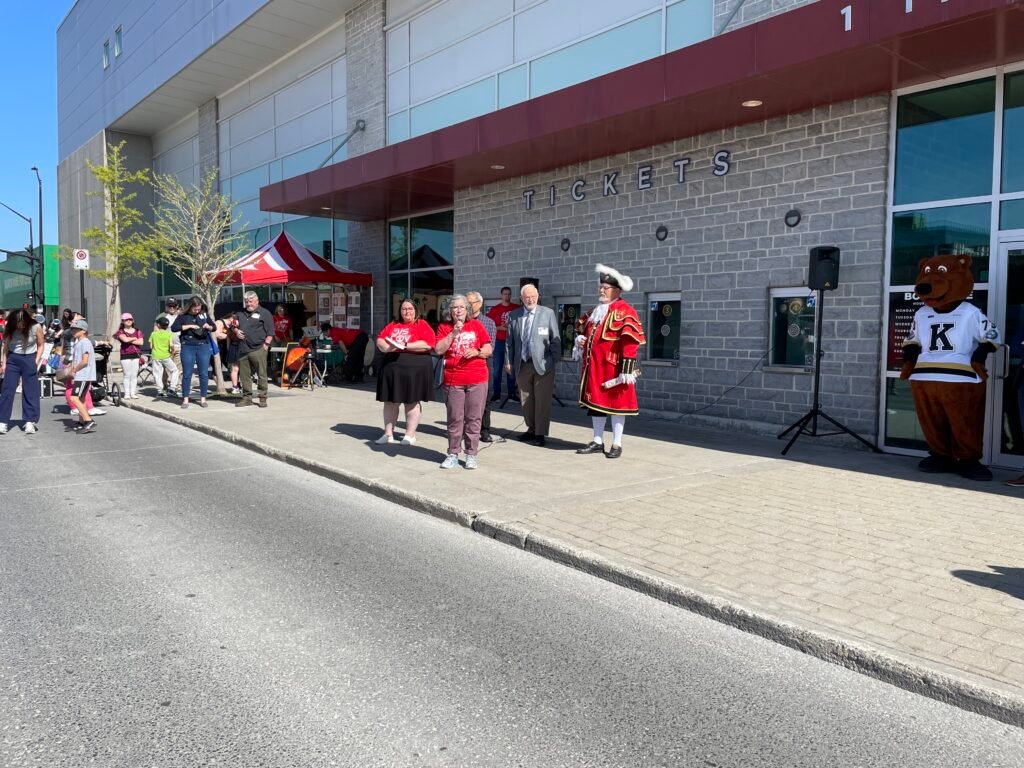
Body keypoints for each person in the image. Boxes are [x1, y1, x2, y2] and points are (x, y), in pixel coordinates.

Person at [574, 264, 647, 459]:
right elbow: (581, 330)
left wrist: (626, 369)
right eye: (601, 287)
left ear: (617, 290)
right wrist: (579, 340)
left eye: (606, 288)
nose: (601, 290)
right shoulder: (595, 311)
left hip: (614, 369)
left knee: (617, 405)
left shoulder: (626, 311)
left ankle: (617, 443)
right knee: (595, 404)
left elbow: (631, 342)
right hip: (595, 368)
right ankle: (598, 441)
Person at [435, 294, 492, 469]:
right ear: (449, 311)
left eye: (461, 307)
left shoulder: (476, 325)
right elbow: (438, 349)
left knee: (474, 418)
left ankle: (471, 454)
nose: (458, 311)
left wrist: (477, 351)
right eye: (455, 308)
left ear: (467, 310)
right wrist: (454, 333)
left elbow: (489, 348)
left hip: (477, 378)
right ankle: (452, 453)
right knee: (455, 418)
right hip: (454, 379)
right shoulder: (444, 327)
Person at [504, 283, 560, 447]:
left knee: (542, 401)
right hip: (522, 364)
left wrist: (551, 362)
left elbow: (556, 340)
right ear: (521, 298)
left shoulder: (548, 313)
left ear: (538, 296)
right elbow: (509, 342)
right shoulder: (514, 315)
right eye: (527, 297)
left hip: (544, 364)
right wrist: (508, 361)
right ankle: (531, 429)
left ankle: (540, 433)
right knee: (526, 400)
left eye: (533, 296)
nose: (530, 299)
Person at [374, 298, 436, 445]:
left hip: (414, 370)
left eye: (410, 309)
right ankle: (388, 434)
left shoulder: (422, 324)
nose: (407, 311)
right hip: (391, 369)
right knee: (389, 402)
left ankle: (410, 434)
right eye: (404, 309)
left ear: (416, 310)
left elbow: (428, 343)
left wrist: (405, 345)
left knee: (412, 401)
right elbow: (380, 339)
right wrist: (387, 347)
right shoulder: (394, 324)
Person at [0, 308, 45, 434]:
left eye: (22, 322)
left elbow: (41, 344)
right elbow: (6, 346)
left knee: (30, 391)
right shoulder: (10, 327)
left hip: (29, 357)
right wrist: (4, 363)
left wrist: (36, 360)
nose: (20, 325)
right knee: (7, 390)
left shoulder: (36, 327)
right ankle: (2, 422)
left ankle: (29, 421)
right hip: (13, 358)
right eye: (17, 322)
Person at [55, 310, 103, 417]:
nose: (74, 331)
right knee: (73, 392)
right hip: (73, 365)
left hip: (81, 371)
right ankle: (84, 416)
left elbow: (84, 359)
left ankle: (86, 419)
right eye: (78, 317)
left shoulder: (83, 341)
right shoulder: (69, 333)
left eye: (76, 329)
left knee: (79, 396)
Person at [233, 290, 275, 408]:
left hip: (258, 348)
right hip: (243, 348)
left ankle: (262, 397)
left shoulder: (265, 313)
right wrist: (236, 331)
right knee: (244, 375)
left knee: (261, 374)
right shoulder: (240, 313)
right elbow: (233, 325)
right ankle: (247, 398)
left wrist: (266, 345)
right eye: (247, 302)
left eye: (251, 302)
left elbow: (271, 332)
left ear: (257, 301)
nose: (248, 304)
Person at [172, 296, 215, 409]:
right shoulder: (183, 316)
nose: (197, 311)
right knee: (187, 373)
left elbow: (214, 327)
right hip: (188, 346)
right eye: (194, 309)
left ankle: (203, 398)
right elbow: (174, 328)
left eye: (198, 309)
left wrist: (208, 326)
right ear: (190, 307)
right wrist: (190, 326)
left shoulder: (204, 314)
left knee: (203, 373)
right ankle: (185, 399)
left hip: (203, 346)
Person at [466, 291, 496, 443]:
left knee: (485, 399)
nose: (467, 306)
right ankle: (466, 428)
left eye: (470, 303)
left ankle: (485, 430)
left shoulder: (488, 322)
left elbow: (490, 348)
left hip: (483, 364)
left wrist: (476, 352)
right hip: (463, 365)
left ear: (479, 304)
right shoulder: (460, 322)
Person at [487, 286, 520, 402]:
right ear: (501, 295)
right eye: (505, 294)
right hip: (499, 342)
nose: (507, 296)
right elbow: (489, 326)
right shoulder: (495, 309)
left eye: (509, 294)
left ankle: (512, 394)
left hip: (512, 342)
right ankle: (496, 394)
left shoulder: (516, 308)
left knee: (511, 368)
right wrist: (499, 327)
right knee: (497, 369)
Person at [67, 319, 97, 433]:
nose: (73, 331)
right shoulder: (79, 342)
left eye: (76, 329)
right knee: (81, 399)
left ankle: (89, 421)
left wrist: (75, 370)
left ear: (83, 331)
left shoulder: (85, 342)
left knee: (74, 398)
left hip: (83, 375)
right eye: (72, 329)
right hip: (82, 375)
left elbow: (85, 361)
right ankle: (81, 422)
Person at [113, 312, 144, 399]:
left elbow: (141, 342)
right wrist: (134, 338)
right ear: (122, 321)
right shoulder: (120, 332)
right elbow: (125, 340)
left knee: (134, 375)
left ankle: (133, 393)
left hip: (136, 354)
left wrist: (129, 339)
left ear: (133, 320)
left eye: (130, 319)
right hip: (125, 354)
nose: (128, 321)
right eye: (126, 320)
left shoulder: (138, 331)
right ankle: (127, 393)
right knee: (127, 374)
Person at [157, 298, 183, 390]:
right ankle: (165, 386)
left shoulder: (180, 316)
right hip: (166, 347)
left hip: (179, 346)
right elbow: (156, 332)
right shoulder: (162, 316)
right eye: (169, 306)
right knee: (166, 369)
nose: (172, 308)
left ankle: (177, 386)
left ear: (177, 306)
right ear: (166, 306)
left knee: (178, 367)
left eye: (174, 306)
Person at [149, 316, 180, 396]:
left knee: (157, 373)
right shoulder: (168, 334)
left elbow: (150, 346)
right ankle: (172, 387)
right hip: (166, 355)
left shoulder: (153, 334)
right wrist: (172, 351)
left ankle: (160, 390)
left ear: (158, 325)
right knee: (174, 370)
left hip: (156, 356)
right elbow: (171, 345)